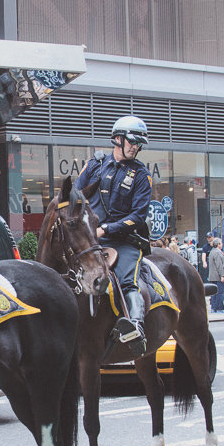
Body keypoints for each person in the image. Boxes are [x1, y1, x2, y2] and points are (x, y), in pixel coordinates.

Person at [73, 115, 152, 356]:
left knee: (128, 280)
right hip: (92, 240)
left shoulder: (141, 175)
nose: (135, 147)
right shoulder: (95, 164)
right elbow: (76, 195)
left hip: (124, 240)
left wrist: (106, 229)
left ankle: (136, 327)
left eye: (138, 144)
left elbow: (138, 216)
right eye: (132, 141)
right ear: (117, 139)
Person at [208, 237, 224, 312]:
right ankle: (220, 308)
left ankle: (214, 308)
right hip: (218, 276)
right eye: (221, 243)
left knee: (214, 293)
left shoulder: (212, 252)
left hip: (213, 276)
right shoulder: (217, 252)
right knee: (220, 292)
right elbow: (219, 265)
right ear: (218, 244)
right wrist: (222, 275)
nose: (222, 244)